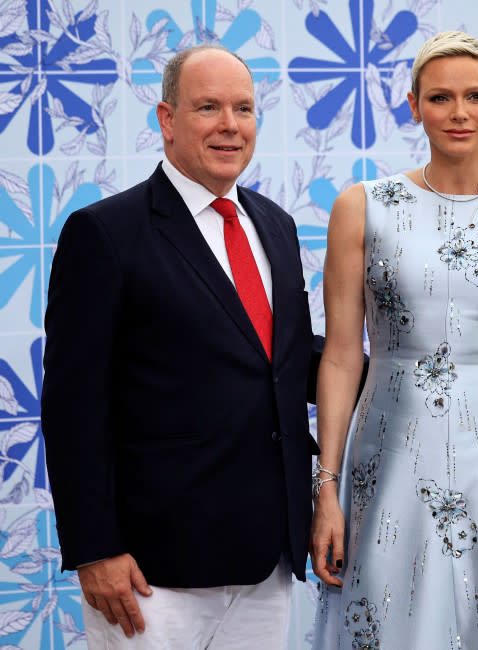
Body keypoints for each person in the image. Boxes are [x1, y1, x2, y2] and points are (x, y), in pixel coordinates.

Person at [310, 31, 478, 650]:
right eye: (439, 98)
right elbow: (339, 356)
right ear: (413, 105)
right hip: (389, 454)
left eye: (473, 96)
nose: (458, 112)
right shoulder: (363, 207)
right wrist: (325, 487)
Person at [41, 44, 320, 650]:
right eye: (208, 107)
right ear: (166, 120)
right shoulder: (105, 233)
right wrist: (95, 548)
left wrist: (405, 378)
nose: (230, 125)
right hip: (149, 572)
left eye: (243, 109)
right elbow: (72, 406)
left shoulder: (275, 223)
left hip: (265, 559)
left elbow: (286, 358)